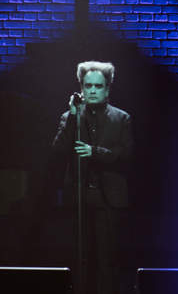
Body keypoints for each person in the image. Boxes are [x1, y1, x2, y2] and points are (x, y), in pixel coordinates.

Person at [51, 61, 133, 294]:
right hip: (78, 198)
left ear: (107, 89)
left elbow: (126, 156)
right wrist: (73, 116)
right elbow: (57, 151)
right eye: (88, 86)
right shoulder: (70, 117)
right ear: (82, 88)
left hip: (109, 199)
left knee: (108, 258)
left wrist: (95, 152)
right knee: (79, 257)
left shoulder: (121, 118)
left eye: (99, 86)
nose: (93, 90)